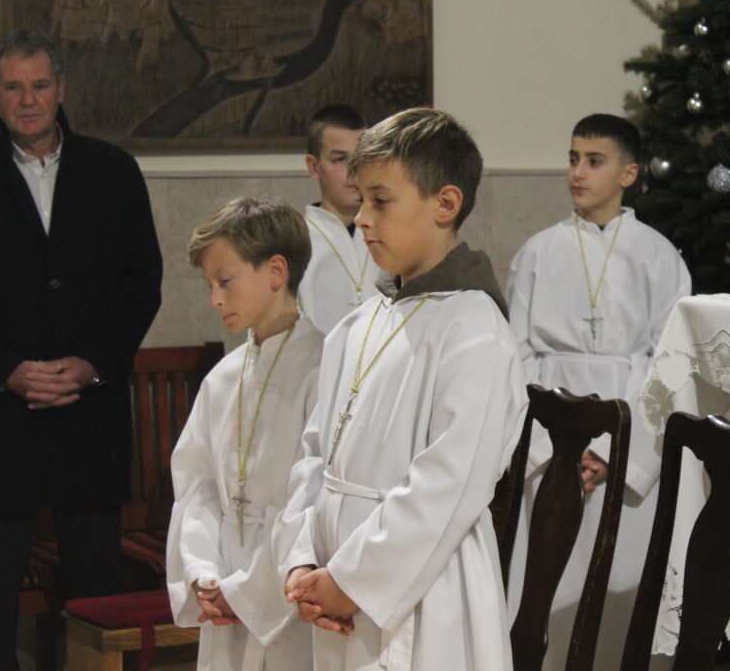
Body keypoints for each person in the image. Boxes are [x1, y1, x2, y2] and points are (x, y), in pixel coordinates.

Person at [273, 108, 527, 671]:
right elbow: (313, 454)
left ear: (446, 203)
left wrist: (351, 581)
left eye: (381, 201)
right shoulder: (358, 324)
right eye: (361, 199)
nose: (362, 218)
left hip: (425, 594)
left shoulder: (474, 329)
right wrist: (300, 559)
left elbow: (449, 484)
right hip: (333, 577)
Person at [0, 30, 162, 669]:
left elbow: (141, 285)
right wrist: (5, 371)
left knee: (96, 586)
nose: (28, 100)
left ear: (61, 89)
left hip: (87, 415)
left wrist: (94, 364)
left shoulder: (113, 170)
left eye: (40, 85)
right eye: (13, 87)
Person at [506, 113, 691, 669]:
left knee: (616, 586)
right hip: (548, 440)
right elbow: (516, 352)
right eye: (572, 159)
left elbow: (668, 363)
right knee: (543, 583)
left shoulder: (660, 255)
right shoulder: (537, 252)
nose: (577, 173)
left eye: (594, 161)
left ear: (628, 174)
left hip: (624, 432)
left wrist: (613, 451)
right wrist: (552, 448)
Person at [166, 197, 322, 670]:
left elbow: (315, 498)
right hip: (224, 580)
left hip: (286, 589)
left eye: (225, 281)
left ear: (276, 272)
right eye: (209, 285)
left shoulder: (323, 366)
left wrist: (248, 591)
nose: (214, 299)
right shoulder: (223, 378)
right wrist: (203, 572)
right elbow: (197, 487)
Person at [298, 104, 380, 334]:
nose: (354, 171)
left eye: (361, 158)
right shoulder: (295, 240)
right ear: (314, 167)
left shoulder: (389, 233)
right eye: (340, 159)